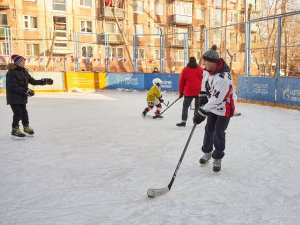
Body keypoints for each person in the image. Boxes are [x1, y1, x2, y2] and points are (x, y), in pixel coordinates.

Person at [193, 45, 236, 172]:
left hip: (224, 108)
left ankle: (217, 157)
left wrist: (202, 112)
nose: (203, 63)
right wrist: (202, 95)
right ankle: (207, 152)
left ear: (213, 62)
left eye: (206, 61)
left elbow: (218, 100)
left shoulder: (223, 78)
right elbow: (204, 81)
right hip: (212, 105)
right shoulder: (207, 70)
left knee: (218, 131)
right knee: (209, 129)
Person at [6, 54, 53, 138]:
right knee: (18, 113)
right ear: (16, 62)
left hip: (22, 96)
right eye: (21, 61)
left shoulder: (24, 72)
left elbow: (33, 81)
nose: (23, 62)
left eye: (24, 61)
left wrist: (44, 81)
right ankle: (15, 129)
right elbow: (13, 86)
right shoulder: (11, 73)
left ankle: (26, 127)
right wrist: (26, 90)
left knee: (24, 113)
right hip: (13, 97)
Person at [176, 56, 203, 127]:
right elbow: (204, 80)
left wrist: (181, 92)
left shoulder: (185, 70)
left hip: (188, 91)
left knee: (185, 106)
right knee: (197, 106)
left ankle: (183, 121)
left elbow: (181, 82)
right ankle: (195, 120)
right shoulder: (200, 69)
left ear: (189, 61)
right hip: (198, 91)